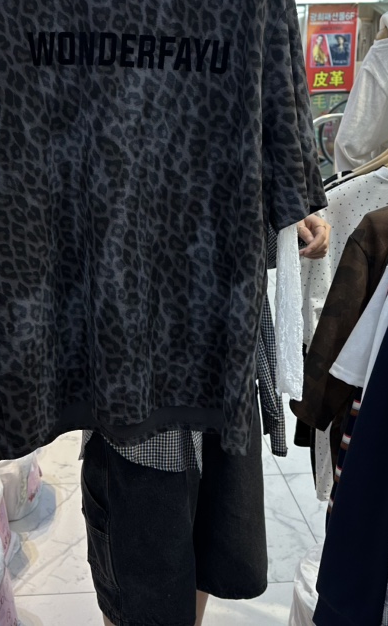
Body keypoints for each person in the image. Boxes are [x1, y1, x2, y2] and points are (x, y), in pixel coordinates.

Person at [82, 214, 331, 626]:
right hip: (137, 392)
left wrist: (287, 222)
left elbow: (261, 247)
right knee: (139, 581)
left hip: (224, 370)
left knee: (208, 547)